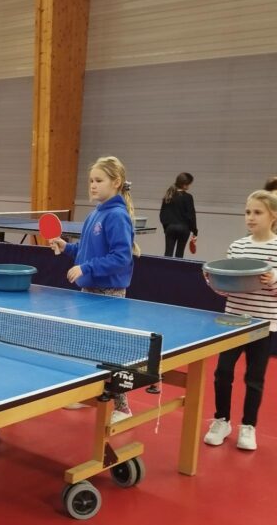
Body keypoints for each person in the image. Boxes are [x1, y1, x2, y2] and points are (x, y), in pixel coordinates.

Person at [203, 190, 277, 451]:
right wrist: (214, 282)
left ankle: (248, 426)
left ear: (274, 216)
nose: (250, 217)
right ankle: (221, 421)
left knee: (254, 378)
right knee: (222, 373)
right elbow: (228, 290)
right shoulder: (238, 246)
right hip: (233, 321)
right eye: (247, 212)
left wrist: (274, 278)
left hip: (263, 325)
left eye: (257, 212)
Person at [48, 156, 138, 421]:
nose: (93, 185)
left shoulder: (117, 216)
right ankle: (87, 394)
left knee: (109, 350)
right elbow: (86, 251)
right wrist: (67, 247)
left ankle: (122, 407)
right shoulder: (94, 214)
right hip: (89, 292)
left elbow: (122, 257)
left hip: (109, 294)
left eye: (99, 180)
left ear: (116, 182)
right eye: (91, 181)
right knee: (85, 346)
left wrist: (86, 268)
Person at [160, 172, 198, 257]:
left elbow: (162, 215)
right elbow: (191, 216)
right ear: (184, 184)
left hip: (170, 228)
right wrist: (194, 232)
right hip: (184, 228)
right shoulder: (188, 197)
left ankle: (165, 266)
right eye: (189, 184)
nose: (189, 186)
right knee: (180, 254)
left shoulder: (168, 196)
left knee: (168, 253)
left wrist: (166, 228)